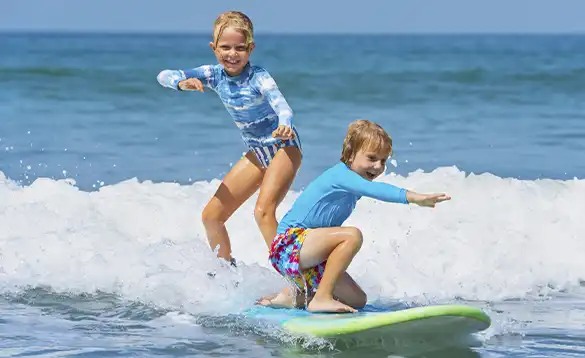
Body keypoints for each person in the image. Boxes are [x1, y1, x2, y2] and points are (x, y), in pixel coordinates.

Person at [257, 119, 451, 313]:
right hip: (288, 245)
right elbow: (375, 189)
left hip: (309, 252)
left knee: (357, 300)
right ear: (350, 155)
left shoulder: (354, 182)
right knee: (351, 235)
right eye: (372, 158)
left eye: (383, 161)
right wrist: (414, 197)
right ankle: (321, 298)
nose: (377, 166)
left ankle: (292, 297)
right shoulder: (341, 175)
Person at [156, 11, 302, 265]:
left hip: (283, 147)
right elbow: (164, 75)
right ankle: (226, 276)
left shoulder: (258, 76)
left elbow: (283, 106)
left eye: (240, 48)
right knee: (211, 216)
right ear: (214, 48)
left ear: (251, 48)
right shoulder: (213, 75)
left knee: (263, 213)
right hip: (258, 154)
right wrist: (181, 83)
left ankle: (299, 278)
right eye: (225, 47)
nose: (232, 54)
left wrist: (285, 125)